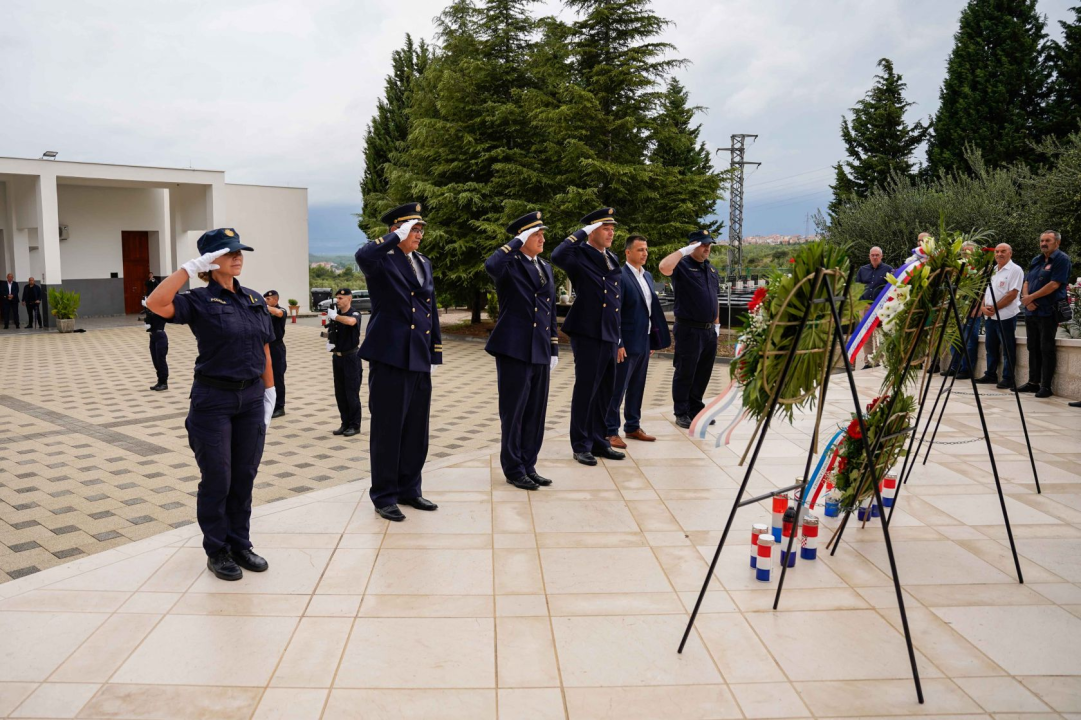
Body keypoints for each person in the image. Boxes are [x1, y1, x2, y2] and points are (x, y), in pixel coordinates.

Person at [146, 228, 275, 582]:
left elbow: (264, 345)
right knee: (219, 477)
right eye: (229, 252)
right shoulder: (199, 300)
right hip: (213, 400)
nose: (238, 257)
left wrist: (270, 391)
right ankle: (217, 550)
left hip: (250, 399)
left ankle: (240, 543)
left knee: (245, 475)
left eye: (240, 252)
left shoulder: (252, 298)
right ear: (210, 261)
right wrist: (187, 270)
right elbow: (156, 304)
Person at [355, 203, 442, 522]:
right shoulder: (381, 259)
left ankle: (410, 488)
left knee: (416, 428)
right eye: (413, 229)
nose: (419, 235)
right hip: (390, 353)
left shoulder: (423, 262)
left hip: (418, 354)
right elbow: (363, 256)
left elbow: (430, 309)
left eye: (420, 230)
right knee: (388, 428)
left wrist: (435, 352)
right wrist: (392, 238)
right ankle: (384, 495)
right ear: (397, 230)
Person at [484, 211, 559, 490]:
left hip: (539, 347)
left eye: (541, 233)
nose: (542, 238)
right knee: (513, 412)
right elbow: (491, 264)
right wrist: (516, 241)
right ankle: (514, 468)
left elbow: (549, 311)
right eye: (536, 234)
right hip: (514, 347)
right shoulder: (509, 264)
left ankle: (529, 463)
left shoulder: (545, 267)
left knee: (536, 411)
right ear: (523, 237)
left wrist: (553, 346)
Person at [551, 207, 626, 466]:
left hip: (608, 333)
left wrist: (618, 338)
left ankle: (598, 441)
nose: (611, 233)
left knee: (605, 391)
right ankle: (581, 444)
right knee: (586, 390)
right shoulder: (579, 254)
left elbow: (616, 300)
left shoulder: (612, 258)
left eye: (612, 228)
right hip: (588, 332)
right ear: (592, 231)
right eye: (606, 228)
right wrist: (581, 233)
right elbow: (557, 254)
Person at [605, 234, 671, 448]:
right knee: (618, 388)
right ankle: (610, 430)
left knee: (637, 386)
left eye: (646, 249)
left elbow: (649, 310)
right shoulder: (620, 276)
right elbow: (615, 312)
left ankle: (632, 426)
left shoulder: (648, 276)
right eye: (640, 249)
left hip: (644, 340)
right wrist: (619, 341)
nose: (645, 253)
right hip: (626, 342)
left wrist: (652, 340)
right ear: (628, 252)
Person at [659, 230, 721, 429]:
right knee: (686, 371)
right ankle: (681, 411)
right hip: (689, 329)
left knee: (703, 372)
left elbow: (714, 299)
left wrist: (717, 325)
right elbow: (663, 267)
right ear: (693, 245)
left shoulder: (711, 270)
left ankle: (695, 408)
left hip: (709, 330)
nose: (707, 248)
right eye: (703, 244)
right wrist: (684, 251)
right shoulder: (682, 266)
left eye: (709, 244)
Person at [1017, 231, 1072, 398]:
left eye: (1048, 240)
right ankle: (1033, 382)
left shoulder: (1062, 259)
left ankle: (1046, 386)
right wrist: (1026, 299)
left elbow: (1054, 285)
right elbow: (1026, 281)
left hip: (1048, 311)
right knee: (1032, 347)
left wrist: (1031, 298)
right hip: (1031, 310)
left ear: (1057, 243)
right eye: (1041, 240)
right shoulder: (1037, 259)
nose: (1043, 243)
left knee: (1046, 348)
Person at [974, 243, 1024, 389]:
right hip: (990, 316)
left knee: (1007, 348)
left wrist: (995, 308)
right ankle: (990, 374)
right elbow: (985, 291)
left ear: (1010, 253)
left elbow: (1012, 294)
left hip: (1005, 316)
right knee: (991, 347)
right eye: (997, 251)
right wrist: (983, 307)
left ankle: (1008, 378)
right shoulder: (993, 270)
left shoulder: (1015, 270)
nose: (999, 254)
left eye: (1003, 251)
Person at [943, 242, 984, 380]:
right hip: (957, 309)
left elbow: (982, 290)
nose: (966, 255)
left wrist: (978, 307)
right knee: (954, 341)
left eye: (969, 252)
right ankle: (955, 366)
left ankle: (967, 369)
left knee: (969, 341)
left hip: (971, 309)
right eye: (964, 252)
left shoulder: (981, 269)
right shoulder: (957, 268)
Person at [326, 288, 362, 437]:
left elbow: (351, 322)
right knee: (340, 393)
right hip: (337, 357)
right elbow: (333, 332)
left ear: (349, 299)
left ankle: (355, 425)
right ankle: (345, 423)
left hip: (351, 358)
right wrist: (327, 338)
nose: (338, 300)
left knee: (351, 392)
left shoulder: (354, 313)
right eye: (337, 298)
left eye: (341, 298)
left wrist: (335, 317)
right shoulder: (336, 315)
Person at [856, 246, 893, 368]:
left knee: (880, 334)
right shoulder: (862, 270)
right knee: (866, 335)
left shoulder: (888, 270)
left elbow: (892, 289)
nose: (875, 257)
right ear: (869, 256)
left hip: (881, 309)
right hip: (865, 307)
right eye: (873, 255)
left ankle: (877, 359)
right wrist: (864, 303)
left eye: (877, 255)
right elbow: (858, 288)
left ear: (881, 256)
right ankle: (868, 361)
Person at [264, 290, 288, 418]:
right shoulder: (264, 311)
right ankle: (267, 404)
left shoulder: (281, 310)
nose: (266, 301)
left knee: (277, 377)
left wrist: (265, 306)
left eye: (268, 299)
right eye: (265, 299)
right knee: (264, 376)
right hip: (264, 347)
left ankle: (279, 406)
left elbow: (278, 313)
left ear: (276, 300)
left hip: (276, 347)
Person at [145, 301, 169, 391]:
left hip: (160, 336)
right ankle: (159, 381)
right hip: (153, 337)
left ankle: (164, 382)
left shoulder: (160, 312)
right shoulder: (150, 313)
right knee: (155, 360)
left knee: (161, 360)